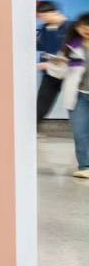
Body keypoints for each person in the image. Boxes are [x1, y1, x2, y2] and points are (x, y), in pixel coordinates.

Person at [61, 13, 89, 179]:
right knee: (80, 133)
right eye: (82, 26)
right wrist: (58, 64)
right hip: (78, 96)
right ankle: (85, 167)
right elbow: (60, 72)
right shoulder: (71, 46)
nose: (86, 29)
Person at [36, 0, 68, 122]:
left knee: (77, 105)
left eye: (43, 16)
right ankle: (30, 129)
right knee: (41, 106)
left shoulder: (71, 27)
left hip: (70, 73)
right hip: (50, 74)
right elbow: (42, 46)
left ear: (54, 12)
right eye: (40, 17)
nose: (41, 19)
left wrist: (54, 61)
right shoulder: (45, 28)